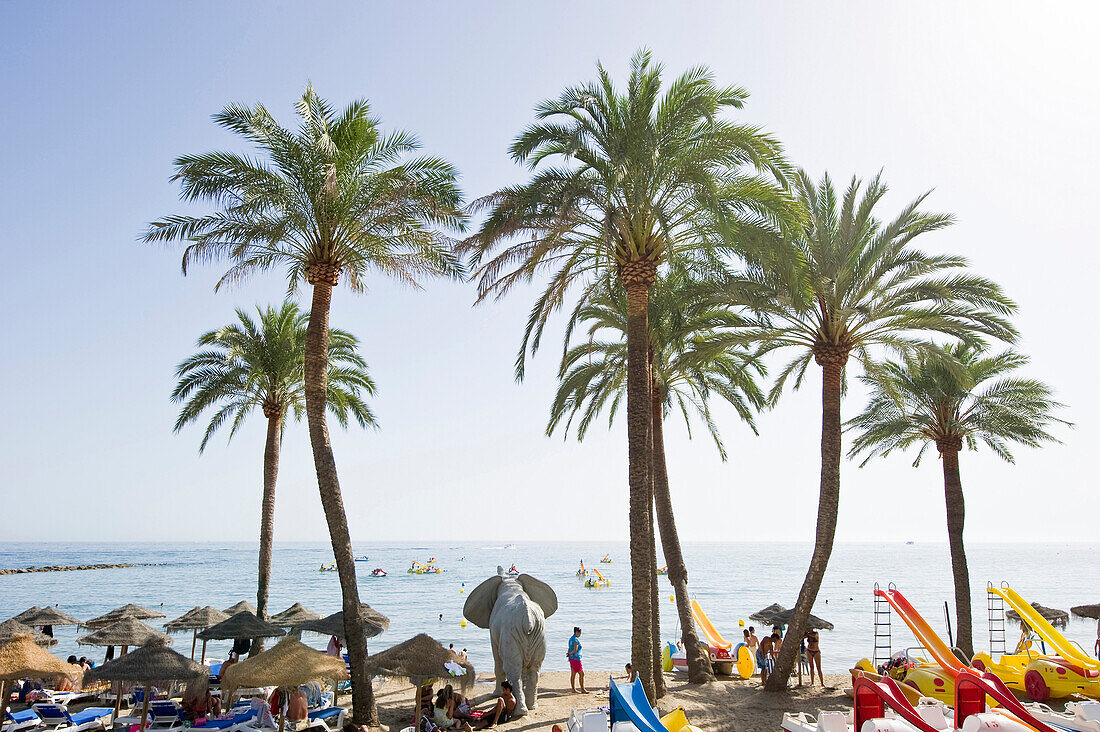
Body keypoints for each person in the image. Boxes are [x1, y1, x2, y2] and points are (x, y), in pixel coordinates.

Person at [567, 626, 586, 693]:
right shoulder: (575, 640)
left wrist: (569, 654)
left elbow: (570, 648)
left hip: (571, 659)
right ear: (576, 632)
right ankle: (582, 689)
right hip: (576, 659)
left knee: (573, 674)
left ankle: (573, 689)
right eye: (580, 633)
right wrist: (570, 654)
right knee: (581, 674)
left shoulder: (571, 639)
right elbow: (575, 649)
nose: (580, 634)